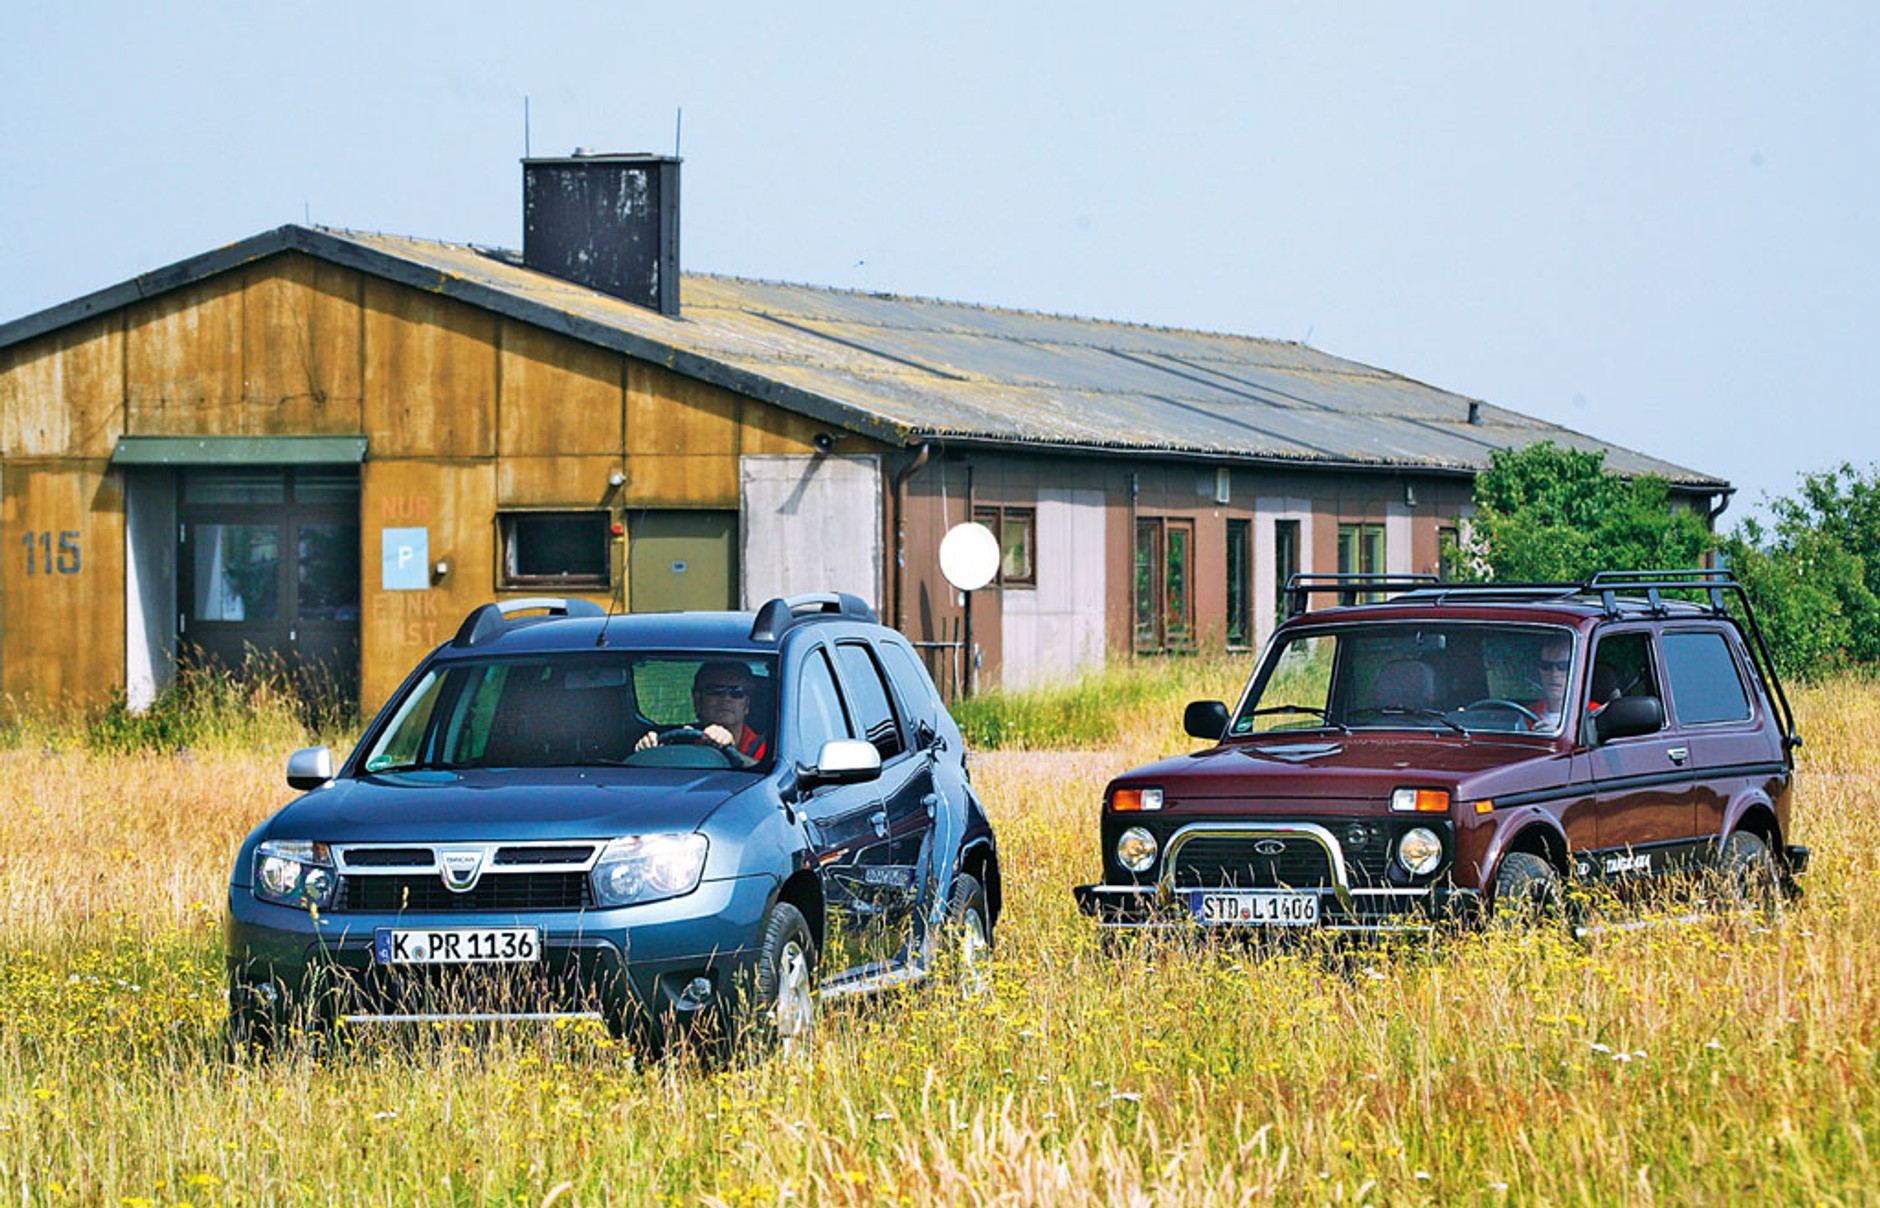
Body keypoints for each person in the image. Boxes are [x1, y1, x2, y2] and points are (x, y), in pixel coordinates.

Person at [634, 660, 769, 762]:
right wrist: (649, 751)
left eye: (737, 692)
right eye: (715, 691)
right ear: (697, 700)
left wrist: (730, 751)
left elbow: (765, 775)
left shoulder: (764, 747)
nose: (726, 698)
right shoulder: (680, 741)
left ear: (747, 705)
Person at [1523, 634, 1573, 730]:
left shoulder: (1593, 713)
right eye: (1546, 666)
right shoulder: (1525, 714)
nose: (1554, 674)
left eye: (1563, 666)